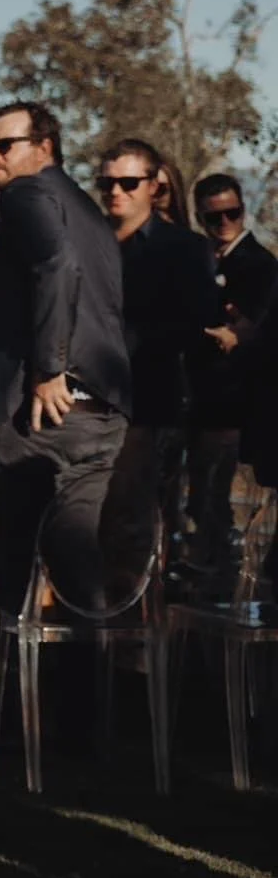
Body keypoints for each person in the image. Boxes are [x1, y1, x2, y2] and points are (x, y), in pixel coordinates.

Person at [0, 101, 131, 617]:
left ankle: (10, 698)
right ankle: (87, 697)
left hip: (39, 422)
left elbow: (56, 266)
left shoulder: (26, 194)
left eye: (5, 145)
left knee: (9, 583)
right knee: (80, 581)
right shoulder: (85, 209)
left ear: (43, 147)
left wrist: (48, 368)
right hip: (100, 419)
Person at [98, 137, 222, 584]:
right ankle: (87, 648)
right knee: (81, 533)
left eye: (129, 182)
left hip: (145, 410)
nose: (116, 191)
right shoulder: (87, 243)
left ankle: (130, 649)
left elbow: (199, 324)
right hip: (82, 408)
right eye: (107, 182)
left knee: (129, 534)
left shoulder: (184, 248)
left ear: (153, 185)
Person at [187, 173, 278, 583]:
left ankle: (224, 581)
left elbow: (257, 334)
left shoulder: (261, 267)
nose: (224, 223)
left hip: (236, 403)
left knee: (221, 502)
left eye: (232, 213)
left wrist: (237, 335)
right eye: (214, 216)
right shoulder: (197, 260)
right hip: (200, 401)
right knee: (203, 501)